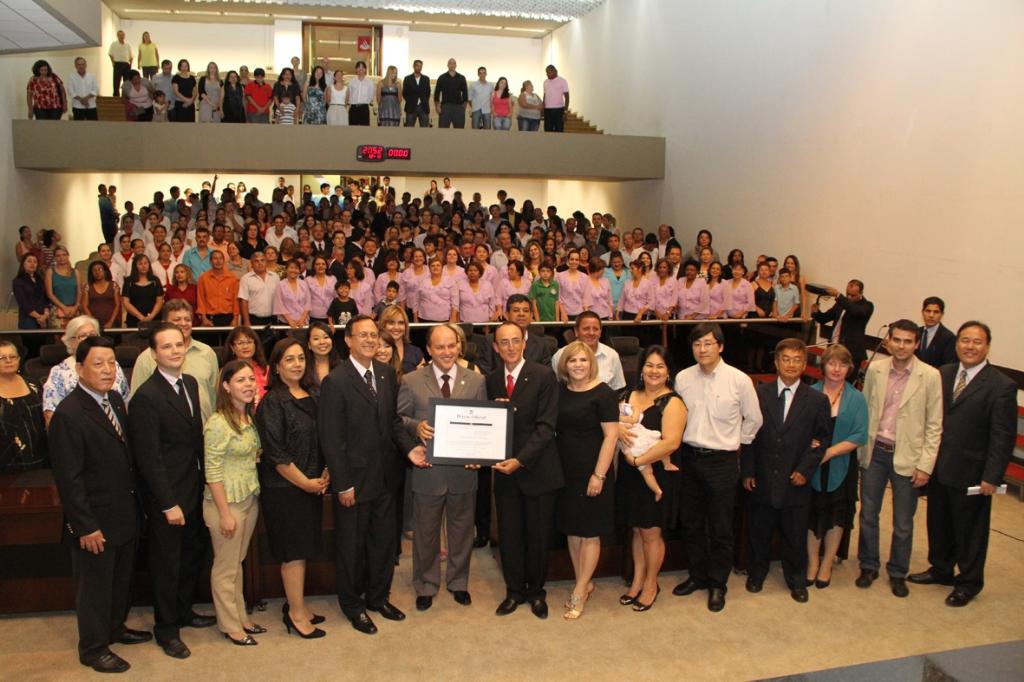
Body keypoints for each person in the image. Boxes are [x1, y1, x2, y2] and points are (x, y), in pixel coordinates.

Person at [49, 337, 149, 673]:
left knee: (120, 581)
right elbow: (69, 479)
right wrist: (85, 526)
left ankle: (114, 627)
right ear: (79, 369)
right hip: (94, 521)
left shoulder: (117, 400)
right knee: (94, 588)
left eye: (112, 363)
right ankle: (93, 647)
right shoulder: (69, 413)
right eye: (98, 363)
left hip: (124, 513)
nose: (108, 370)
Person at [319, 316, 424, 635]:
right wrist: (343, 483)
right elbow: (331, 439)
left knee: (383, 543)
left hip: (387, 478)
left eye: (372, 335)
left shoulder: (386, 374)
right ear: (347, 340)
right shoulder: (336, 381)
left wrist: (409, 450)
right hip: (354, 482)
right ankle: (353, 606)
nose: (369, 340)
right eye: (361, 335)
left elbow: (392, 423)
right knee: (352, 547)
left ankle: (378, 597)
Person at [909, 321, 1017, 606]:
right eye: (965, 340)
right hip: (939, 466)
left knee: (970, 530)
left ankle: (968, 581)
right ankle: (941, 569)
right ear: (957, 344)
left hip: (973, 472)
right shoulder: (942, 374)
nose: (970, 346)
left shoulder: (1001, 386)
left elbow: (1002, 436)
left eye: (977, 341)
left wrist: (992, 477)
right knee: (938, 521)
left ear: (987, 346)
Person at [129, 323, 213, 659]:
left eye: (179, 345)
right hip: (168, 497)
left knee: (192, 556)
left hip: (194, 488)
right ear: (153, 353)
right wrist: (167, 503)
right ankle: (166, 629)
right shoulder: (146, 397)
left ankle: (183, 611)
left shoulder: (190, 384)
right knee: (167, 565)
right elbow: (148, 459)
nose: (175, 351)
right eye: (166, 347)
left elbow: (194, 441)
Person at [672, 323, 763, 612]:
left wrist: (737, 441)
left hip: (722, 461)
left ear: (720, 346)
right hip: (688, 457)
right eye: (697, 344)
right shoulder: (684, 378)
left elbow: (754, 419)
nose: (702, 349)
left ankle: (717, 584)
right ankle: (697, 576)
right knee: (692, 522)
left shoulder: (739, 380)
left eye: (709, 343)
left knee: (721, 526)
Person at [397, 323, 487, 611]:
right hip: (428, 470)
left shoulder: (475, 380)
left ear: (459, 346)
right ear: (429, 350)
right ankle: (426, 584)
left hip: (464, 471)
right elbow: (398, 419)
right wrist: (416, 426)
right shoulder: (411, 380)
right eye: (440, 347)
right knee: (425, 531)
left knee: (462, 530)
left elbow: (483, 423)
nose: (447, 352)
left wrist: (480, 454)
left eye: (452, 345)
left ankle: (458, 582)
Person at [856, 319, 942, 598]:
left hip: (908, 457)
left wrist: (925, 465)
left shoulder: (930, 376)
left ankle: (897, 572)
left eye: (908, 341)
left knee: (904, 522)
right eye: (897, 340)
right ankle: (868, 565)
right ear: (889, 341)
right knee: (868, 514)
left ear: (916, 344)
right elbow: (865, 410)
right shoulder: (877, 370)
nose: (902, 346)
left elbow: (934, 425)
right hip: (875, 451)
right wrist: (860, 450)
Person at [741, 339, 831, 603]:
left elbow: (821, 440)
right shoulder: (759, 394)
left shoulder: (817, 400)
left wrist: (805, 469)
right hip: (762, 476)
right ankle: (756, 573)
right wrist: (748, 471)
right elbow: (748, 435)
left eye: (796, 360)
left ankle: (796, 579)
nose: (791, 364)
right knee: (759, 530)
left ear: (804, 365)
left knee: (794, 534)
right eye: (786, 359)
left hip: (796, 480)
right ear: (776, 362)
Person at [487, 321, 562, 619]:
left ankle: (536, 592)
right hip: (505, 473)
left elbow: (546, 428)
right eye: (503, 342)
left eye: (515, 341)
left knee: (538, 536)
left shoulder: (544, 376)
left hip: (538, 471)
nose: (509, 347)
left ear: (525, 343)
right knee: (510, 535)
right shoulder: (491, 380)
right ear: (495, 347)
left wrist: (520, 460)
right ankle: (514, 591)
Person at [256, 338, 330, 638]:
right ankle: (296, 615)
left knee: (303, 549)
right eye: (289, 359)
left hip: (311, 485)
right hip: (285, 489)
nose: (297, 364)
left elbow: (322, 437)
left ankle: (298, 604)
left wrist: (323, 474)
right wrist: (306, 483)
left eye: (301, 358)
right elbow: (276, 454)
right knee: (293, 553)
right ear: (276, 366)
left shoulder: (311, 396)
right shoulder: (272, 402)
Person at [616, 345, 686, 611]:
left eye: (660, 366)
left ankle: (651, 584)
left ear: (668, 372)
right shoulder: (628, 394)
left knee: (652, 533)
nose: (653, 371)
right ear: (641, 368)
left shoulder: (672, 402)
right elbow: (617, 426)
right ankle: (637, 580)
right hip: (629, 472)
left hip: (655, 471)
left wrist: (637, 461)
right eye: (649, 365)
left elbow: (671, 443)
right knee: (636, 528)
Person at [552, 341, 618, 619]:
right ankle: (584, 581)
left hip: (594, 471)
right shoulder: (559, 392)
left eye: (583, 360)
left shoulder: (603, 393)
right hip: (565, 471)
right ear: (564, 365)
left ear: (591, 363)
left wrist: (599, 475)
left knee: (590, 531)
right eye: (572, 360)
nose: (577, 365)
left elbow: (611, 436)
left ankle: (579, 591)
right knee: (572, 529)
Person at [202, 360, 264, 646]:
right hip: (225, 505)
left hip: (248, 497)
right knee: (225, 568)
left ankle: (242, 617)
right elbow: (212, 471)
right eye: (240, 380)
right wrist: (225, 514)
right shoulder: (217, 422)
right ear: (226, 386)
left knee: (237, 563)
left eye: (251, 379)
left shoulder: (247, 416)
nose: (248, 385)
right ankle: (230, 626)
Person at [807, 344, 868, 588]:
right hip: (812, 463)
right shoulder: (810, 393)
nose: (836, 369)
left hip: (842, 462)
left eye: (842, 364)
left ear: (849, 368)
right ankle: (812, 561)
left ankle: (827, 563)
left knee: (836, 515)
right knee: (812, 514)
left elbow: (860, 434)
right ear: (823, 366)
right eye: (832, 363)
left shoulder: (857, 398)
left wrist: (830, 452)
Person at [131, 300, 219, 422]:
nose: (183, 323)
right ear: (164, 323)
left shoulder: (207, 352)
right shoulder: (146, 358)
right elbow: (138, 404)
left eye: (187, 319)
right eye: (177, 320)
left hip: (206, 432)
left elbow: (214, 396)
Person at [42, 316, 130, 425]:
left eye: (93, 335)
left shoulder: (114, 365)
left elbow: (125, 402)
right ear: (70, 341)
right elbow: (51, 417)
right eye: (82, 336)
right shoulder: (59, 372)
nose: (89, 340)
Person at [0, 339, 48, 472]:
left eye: (12, 356)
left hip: (39, 459)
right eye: (2, 357)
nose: (8, 360)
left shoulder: (34, 385)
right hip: (5, 466)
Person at [551, 312, 626, 391]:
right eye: (586, 329)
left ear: (600, 332)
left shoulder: (612, 355)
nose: (591, 333)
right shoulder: (560, 355)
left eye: (595, 329)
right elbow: (554, 389)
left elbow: (618, 389)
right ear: (576, 331)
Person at [811, 280, 874, 372]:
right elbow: (824, 319)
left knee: (847, 384)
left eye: (853, 295)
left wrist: (838, 295)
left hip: (851, 353)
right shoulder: (841, 303)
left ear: (861, 293)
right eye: (847, 294)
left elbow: (855, 311)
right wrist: (816, 313)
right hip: (833, 349)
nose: (849, 297)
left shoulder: (867, 306)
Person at [13, 253, 49, 357]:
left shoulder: (40, 280)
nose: (32, 264)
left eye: (35, 261)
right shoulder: (18, 281)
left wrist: (45, 315)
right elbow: (23, 303)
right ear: (23, 264)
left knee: (43, 349)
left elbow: (46, 299)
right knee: (31, 350)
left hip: (43, 319)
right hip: (28, 320)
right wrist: (38, 317)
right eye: (29, 261)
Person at [223, 326, 269, 402]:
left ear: (255, 345)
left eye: (249, 342)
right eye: (240, 343)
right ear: (232, 347)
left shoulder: (266, 370)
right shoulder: (226, 371)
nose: (245, 346)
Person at [378, 304, 424, 375]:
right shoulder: (376, 351)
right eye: (391, 323)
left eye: (401, 323)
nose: (396, 327)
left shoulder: (416, 352)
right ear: (383, 325)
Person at [196, 250, 239, 327]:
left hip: (228, 318)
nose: (218, 261)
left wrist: (235, 318)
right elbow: (201, 299)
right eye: (215, 258)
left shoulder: (232, 278)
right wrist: (203, 318)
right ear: (210, 261)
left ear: (224, 261)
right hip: (210, 319)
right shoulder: (203, 278)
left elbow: (235, 300)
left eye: (220, 258)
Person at [122, 254, 164, 327]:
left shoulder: (155, 280)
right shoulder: (129, 281)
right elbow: (126, 302)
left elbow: (159, 301)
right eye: (140, 264)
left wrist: (151, 316)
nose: (143, 266)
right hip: (134, 320)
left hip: (154, 319)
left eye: (146, 263)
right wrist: (140, 317)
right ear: (135, 266)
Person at [45, 246, 82, 326]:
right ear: (54, 258)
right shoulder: (50, 272)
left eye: (64, 255)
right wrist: (64, 307)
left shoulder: (75, 272)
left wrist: (76, 307)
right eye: (58, 256)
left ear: (68, 256)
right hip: (57, 310)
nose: (61, 258)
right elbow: (49, 294)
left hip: (74, 309)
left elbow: (79, 292)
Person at [917, 296, 957, 368]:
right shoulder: (916, 332)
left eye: (936, 312)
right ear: (922, 312)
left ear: (942, 315)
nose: (931, 315)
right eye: (928, 311)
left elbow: (948, 366)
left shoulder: (949, 338)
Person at [273, 259, 311, 328]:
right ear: (286, 269)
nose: (293, 270)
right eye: (291, 267)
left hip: (302, 322)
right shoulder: (280, 285)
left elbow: (308, 303)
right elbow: (279, 304)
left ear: (299, 270)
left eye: (296, 268)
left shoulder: (304, 284)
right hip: (285, 323)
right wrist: (290, 320)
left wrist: (302, 319)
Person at [434, 58, 468, 129]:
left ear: (456, 65)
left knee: (459, 131)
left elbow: (465, 93)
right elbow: (437, 93)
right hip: (445, 107)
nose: (452, 65)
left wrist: (463, 106)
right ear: (447, 65)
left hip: (458, 107)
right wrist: (437, 105)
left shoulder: (461, 78)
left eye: (453, 63)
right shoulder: (442, 77)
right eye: (450, 63)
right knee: (443, 130)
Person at [402, 59, 431, 127]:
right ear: (413, 66)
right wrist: (412, 101)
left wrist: (423, 100)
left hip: (423, 107)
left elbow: (428, 92)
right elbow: (405, 93)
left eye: (421, 66)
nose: (419, 67)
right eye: (417, 66)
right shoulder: (407, 79)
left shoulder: (426, 79)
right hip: (411, 107)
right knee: (409, 129)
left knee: (425, 130)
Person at [542, 65, 569, 133]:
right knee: (547, 130)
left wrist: (565, 111)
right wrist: (543, 107)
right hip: (547, 110)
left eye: (548, 72)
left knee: (559, 130)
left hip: (559, 109)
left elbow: (567, 96)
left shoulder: (563, 81)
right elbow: (545, 95)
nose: (547, 74)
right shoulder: (545, 82)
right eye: (546, 73)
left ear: (555, 71)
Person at [346, 61, 373, 126]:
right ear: (356, 69)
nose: (360, 69)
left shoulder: (370, 82)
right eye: (358, 67)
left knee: (364, 132)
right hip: (353, 108)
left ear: (365, 70)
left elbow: (371, 95)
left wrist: (364, 102)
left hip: (364, 108)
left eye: (362, 67)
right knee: (352, 130)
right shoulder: (351, 81)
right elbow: (349, 94)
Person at [108, 30, 133, 96]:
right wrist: (113, 62)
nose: (122, 36)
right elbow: (110, 54)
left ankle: (126, 96)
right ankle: (116, 97)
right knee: (116, 81)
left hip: (126, 64)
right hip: (118, 64)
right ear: (117, 36)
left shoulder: (127, 45)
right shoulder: (114, 44)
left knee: (127, 82)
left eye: (123, 35)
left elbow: (131, 56)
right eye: (120, 35)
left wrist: (130, 64)